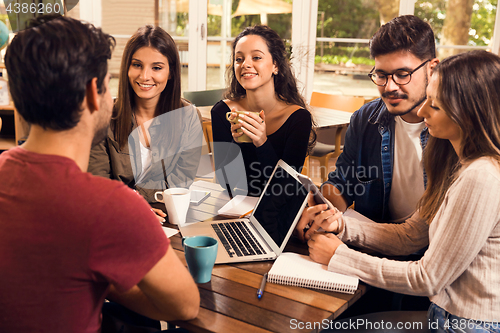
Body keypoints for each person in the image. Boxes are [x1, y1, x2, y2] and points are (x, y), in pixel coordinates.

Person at [0, 15, 199, 332]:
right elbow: (186, 305)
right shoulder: (112, 208)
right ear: (95, 94)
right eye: (108, 82)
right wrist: (102, 276)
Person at [304, 50, 500, 331]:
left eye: (434, 105)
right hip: (447, 314)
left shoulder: (481, 177)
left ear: (467, 115)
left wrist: (340, 256)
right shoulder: (459, 164)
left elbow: (428, 278)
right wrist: (341, 225)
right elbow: (412, 235)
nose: (422, 111)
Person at [321, 15, 438, 223]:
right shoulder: (364, 119)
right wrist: (324, 210)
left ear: (432, 68)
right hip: (372, 245)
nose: (390, 87)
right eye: (381, 75)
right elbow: (342, 183)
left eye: (403, 74)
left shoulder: (453, 127)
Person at [89, 25, 203, 223]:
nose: (144, 76)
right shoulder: (103, 116)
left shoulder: (189, 117)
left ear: (171, 72)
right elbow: (99, 183)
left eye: (157, 68)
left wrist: (138, 199)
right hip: (116, 215)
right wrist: (135, 204)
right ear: (127, 68)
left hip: (167, 216)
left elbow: (181, 182)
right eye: (137, 65)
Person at [211, 25, 314, 197]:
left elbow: (285, 188)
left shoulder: (298, 118)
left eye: (256, 57)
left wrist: (261, 142)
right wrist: (238, 142)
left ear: (276, 65)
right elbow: (226, 183)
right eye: (239, 59)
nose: (246, 64)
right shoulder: (223, 112)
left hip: (278, 211)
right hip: (238, 209)